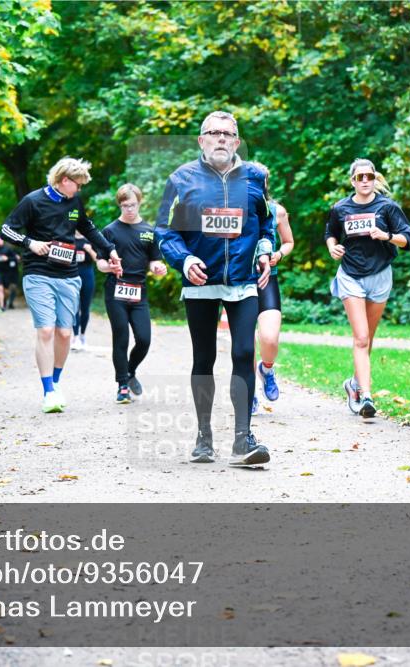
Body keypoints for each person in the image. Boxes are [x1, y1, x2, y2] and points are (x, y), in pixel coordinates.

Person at [155, 110, 273, 467]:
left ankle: (243, 438)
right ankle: (204, 437)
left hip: (242, 280)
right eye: (213, 133)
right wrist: (184, 259)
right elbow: (164, 231)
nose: (221, 138)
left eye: (227, 133)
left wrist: (266, 251)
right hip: (201, 281)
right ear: (201, 140)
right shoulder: (181, 178)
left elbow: (265, 222)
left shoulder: (255, 177)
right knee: (204, 358)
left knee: (243, 353)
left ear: (237, 142)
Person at [1, 157, 121, 413]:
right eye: (77, 185)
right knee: (45, 330)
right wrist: (30, 243)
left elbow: (88, 228)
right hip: (38, 273)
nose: (79, 190)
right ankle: (47, 391)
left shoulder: (74, 203)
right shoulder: (33, 201)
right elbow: (6, 230)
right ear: (64, 180)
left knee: (65, 333)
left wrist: (109, 250)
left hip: (68, 275)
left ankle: (55, 383)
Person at [325, 158, 410, 419]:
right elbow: (330, 232)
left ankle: (354, 384)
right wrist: (332, 247)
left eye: (369, 176)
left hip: (380, 275)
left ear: (375, 179)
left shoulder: (387, 207)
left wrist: (386, 236)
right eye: (360, 177)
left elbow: (407, 239)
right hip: (351, 274)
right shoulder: (340, 208)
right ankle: (366, 396)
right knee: (361, 337)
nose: (365, 181)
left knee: (369, 338)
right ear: (352, 180)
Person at [96, 183, 167, 404]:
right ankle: (122, 385)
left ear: (139, 203)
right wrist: (109, 267)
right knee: (121, 337)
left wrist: (158, 269)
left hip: (139, 292)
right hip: (116, 291)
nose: (129, 209)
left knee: (144, 339)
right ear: (120, 205)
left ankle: (130, 370)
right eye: (125, 205)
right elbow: (99, 262)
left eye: (133, 205)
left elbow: (154, 261)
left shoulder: (148, 232)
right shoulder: (109, 231)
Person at [247, 162, 294, 409]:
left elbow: (288, 242)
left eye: (259, 179)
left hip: (268, 279)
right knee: (244, 342)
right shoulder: (235, 209)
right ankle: (249, 393)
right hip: (240, 280)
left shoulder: (277, 211)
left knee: (269, 338)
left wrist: (278, 254)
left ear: (266, 182)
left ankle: (266, 369)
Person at [71, 231, 98, 350]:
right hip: (72, 275)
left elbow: (98, 259)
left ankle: (83, 335)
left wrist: (90, 250)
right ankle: (75, 337)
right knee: (74, 307)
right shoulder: (69, 238)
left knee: (85, 308)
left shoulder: (90, 239)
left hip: (87, 275)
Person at [0, 236, 20, 310]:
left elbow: (16, 259)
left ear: (3, 241)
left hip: (7, 273)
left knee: (6, 291)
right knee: (0, 288)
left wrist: (7, 258)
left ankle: (5, 300)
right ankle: (1, 306)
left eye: (0, 240)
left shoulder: (8, 250)